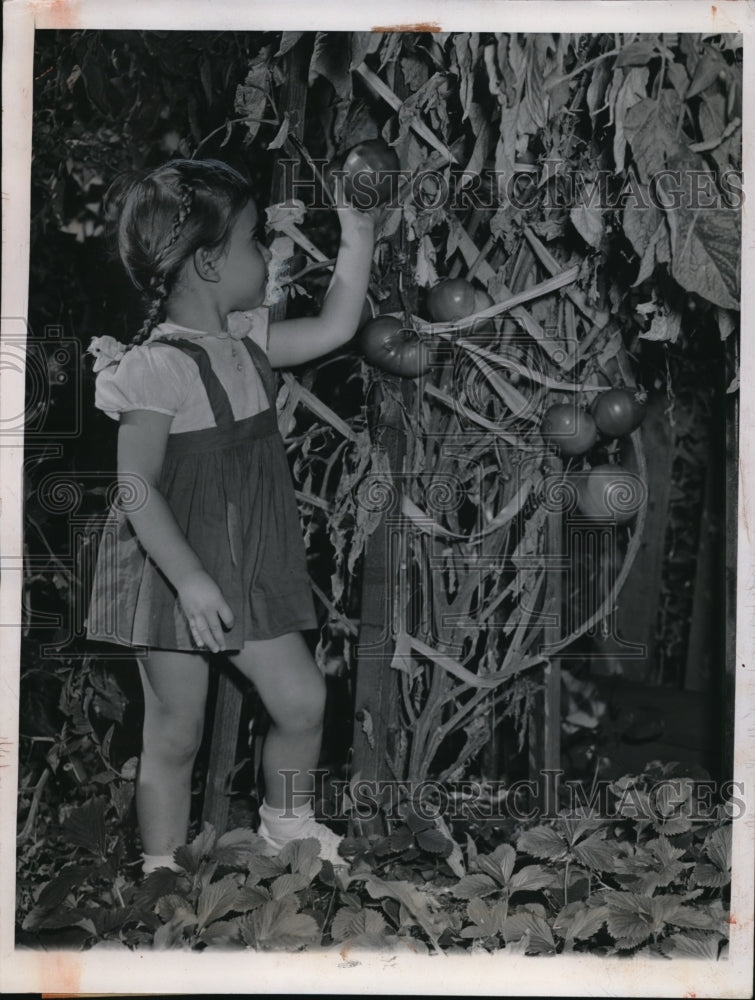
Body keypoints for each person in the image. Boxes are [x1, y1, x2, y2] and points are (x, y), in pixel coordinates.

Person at [86, 158, 377, 872]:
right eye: (254, 241)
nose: (266, 254)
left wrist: (359, 231)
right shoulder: (155, 367)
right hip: (170, 569)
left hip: (244, 560)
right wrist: (187, 578)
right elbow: (134, 487)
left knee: (302, 699)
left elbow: (339, 325)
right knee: (175, 732)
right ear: (211, 264)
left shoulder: (248, 340)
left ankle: (288, 827)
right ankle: (161, 869)